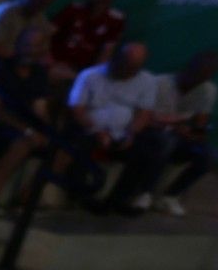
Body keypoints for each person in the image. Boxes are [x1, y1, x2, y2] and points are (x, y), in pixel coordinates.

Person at [66, 42, 167, 214]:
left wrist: (131, 133)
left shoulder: (147, 81)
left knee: (149, 150)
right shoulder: (90, 75)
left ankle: (118, 199)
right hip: (90, 129)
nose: (129, 72)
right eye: (127, 66)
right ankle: (81, 195)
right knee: (80, 143)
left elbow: (144, 112)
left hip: (122, 132)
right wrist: (96, 131)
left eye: (134, 68)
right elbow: (77, 108)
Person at [0, 26, 55, 211]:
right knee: (23, 142)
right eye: (27, 45)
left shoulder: (39, 73)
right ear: (17, 45)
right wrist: (27, 130)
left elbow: (40, 109)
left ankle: (28, 194)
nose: (30, 50)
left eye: (36, 46)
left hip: (22, 126)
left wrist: (47, 132)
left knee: (61, 147)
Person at [143, 50, 218, 216]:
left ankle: (170, 195)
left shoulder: (208, 90)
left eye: (206, 75)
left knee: (209, 155)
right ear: (189, 67)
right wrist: (174, 127)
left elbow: (201, 122)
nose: (199, 78)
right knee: (166, 143)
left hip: (179, 136)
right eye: (198, 72)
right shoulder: (160, 83)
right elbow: (144, 118)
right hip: (153, 131)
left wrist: (196, 134)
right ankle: (146, 192)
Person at [50, 0, 127, 80]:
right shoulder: (74, 8)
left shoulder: (115, 20)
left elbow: (106, 54)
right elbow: (47, 34)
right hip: (54, 63)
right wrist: (49, 61)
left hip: (80, 73)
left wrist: (85, 77)